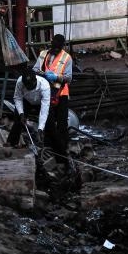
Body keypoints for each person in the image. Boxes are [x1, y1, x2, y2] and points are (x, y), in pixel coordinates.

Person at [33, 34, 73, 168]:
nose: (55, 51)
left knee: (62, 124)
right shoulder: (43, 54)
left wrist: (56, 77)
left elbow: (68, 78)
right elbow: (35, 69)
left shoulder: (67, 58)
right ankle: (49, 148)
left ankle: (63, 150)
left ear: (62, 46)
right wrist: (41, 74)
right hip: (46, 93)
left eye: (58, 48)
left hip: (61, 94)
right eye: (54, 48)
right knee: (48, 122)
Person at [6, 65, 51, 148]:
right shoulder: (20, 82)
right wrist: (21, 113)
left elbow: (44, 110)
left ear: (35, 81)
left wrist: (40, 128)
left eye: (31, 86)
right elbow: (17, 98)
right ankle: (12, 142)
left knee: (49, 121)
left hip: (40, 102)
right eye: (27, 86)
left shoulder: (45, 86)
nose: (29, 88)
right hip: (26, 100)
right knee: (18, 120)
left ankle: (47, 145)